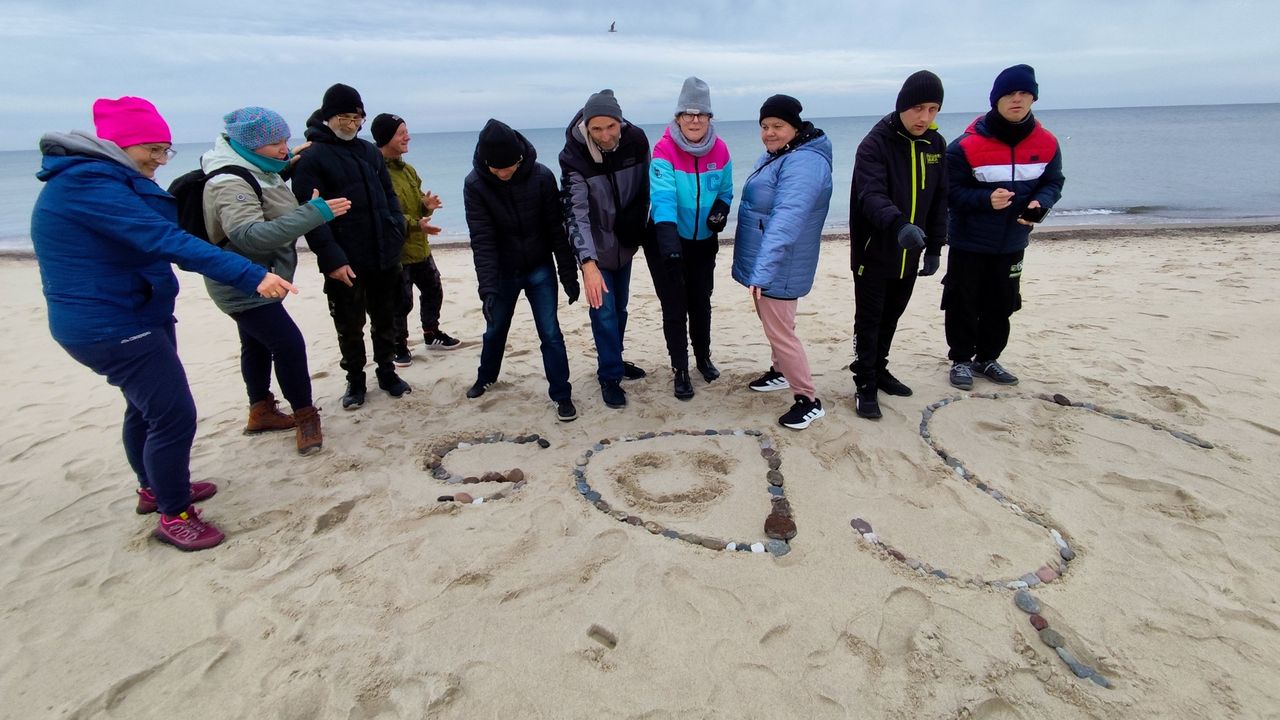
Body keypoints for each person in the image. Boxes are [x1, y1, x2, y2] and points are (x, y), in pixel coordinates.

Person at [31, 96, 296, 551]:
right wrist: (251, 274)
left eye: (164, 149)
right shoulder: (88, 185)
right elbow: (164, 238)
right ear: (118, 145)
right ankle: (175, 514)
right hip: (110, 323)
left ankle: (153, 487)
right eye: (151, 149)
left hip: (135, 310)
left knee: (144, 409)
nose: (159, 159)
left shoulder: (107, 179)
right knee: (174, 416)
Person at [201, 106, 351, 454]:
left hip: (260, 276)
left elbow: (264, 189)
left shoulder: (258, 168)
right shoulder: (229, 183)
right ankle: (305, 417)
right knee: (288, 345)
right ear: (247, 146)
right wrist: (314, 213)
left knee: (255, 344)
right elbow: (249, 235)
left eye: (285, 139)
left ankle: (260, 411)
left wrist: (286, 164)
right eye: (275, 144)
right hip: (242, 283)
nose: (284, 148)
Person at [944, 64, 1065, 389]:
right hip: (969, 240)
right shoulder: (964, 145)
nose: (1017, 99)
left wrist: (1040, 204)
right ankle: (960, 360)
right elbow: (949, 192)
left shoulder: (1047, 142)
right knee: (962, 301)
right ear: (996, 99)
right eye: (1010, 93)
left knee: (1002, 302)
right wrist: (985, 199)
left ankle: (987, 358)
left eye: (1024, 93)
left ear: (1033, 98)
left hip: (1012, 241)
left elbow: (1053, 182)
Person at [291, 83, 411, 410]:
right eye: (344, 117)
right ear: (328, 117)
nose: (351, 124)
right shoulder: (312, 157)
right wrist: (332, 259)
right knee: (349, 324)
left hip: (383, 251)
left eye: (357, 118)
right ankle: (355, 380)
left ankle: (387, 372)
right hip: (345, 257)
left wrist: (396, 227)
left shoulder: (369, 151)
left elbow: (388, 195)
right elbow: (309, 215)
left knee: (386, 318)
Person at [463, 119, 581, 421]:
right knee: (495, 329)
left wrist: (568, 274)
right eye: (497, 168)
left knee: (550, 332)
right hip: (503, 272)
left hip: (540, 267)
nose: (504, 173)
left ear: (519, 158)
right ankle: (486, 377)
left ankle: (562, 394)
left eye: (509, 167)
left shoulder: (541, 176)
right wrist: (488, 289)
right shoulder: (475, 185)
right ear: (486, 163)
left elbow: (556, 230)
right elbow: (482, 240)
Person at [849, 70, 948, 420]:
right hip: (875, 251)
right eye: (918, 108)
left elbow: (939, 200)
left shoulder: (936, 145)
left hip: (911, 252)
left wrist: (935, 247)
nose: (924, 117)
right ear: (902, 106)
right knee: (870, 320)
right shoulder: (874, 144)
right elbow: (871, 195)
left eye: (933, 109)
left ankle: (880, 369)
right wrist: (898, 224)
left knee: (892, 316)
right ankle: (865, 381)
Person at [732, 94, 833, 430]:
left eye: (777, 125)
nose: (769, 133)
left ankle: (808, 400)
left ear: (795, 127)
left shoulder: (804, 163)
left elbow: (786, 220)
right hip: (770, 262)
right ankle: (779, 372)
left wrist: (762, 271)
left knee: (781, 333)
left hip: (781, 264)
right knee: (777, 327)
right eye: (764, 126)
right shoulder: (783, 154)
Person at [558, 89, 651, 409]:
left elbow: (646, 188)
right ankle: (609, 376)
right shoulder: (573, 155)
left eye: (611, 126)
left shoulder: (636, 140)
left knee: (620, 308)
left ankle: (616, 359)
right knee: (604, 311)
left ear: (620, 121)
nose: (605, 135)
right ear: (586, 126)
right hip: (596, 250)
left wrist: (638, 227)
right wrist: (587, 263)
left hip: (625, 243)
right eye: (596, 129)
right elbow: (575, 213)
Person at [647, 76, 734, 400]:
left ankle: (702, 358)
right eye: (688, 113)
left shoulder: (720, 149)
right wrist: (670, 248)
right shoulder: (664, 149)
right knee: (674, 306)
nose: (694, 120)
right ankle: (680, 369)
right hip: (668, 238)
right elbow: (663, 200)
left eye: (701, 114)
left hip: (703, 241)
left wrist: (720, 211)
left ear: (709, 117)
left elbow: (725, 190)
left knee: (701, 302)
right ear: (679, 116)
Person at [369, 113, 460, 365]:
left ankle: (431, 333)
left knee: (434, 289)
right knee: (401, 301)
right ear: (386, 137)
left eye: (406, 132)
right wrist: (414, 223)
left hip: (420, 247)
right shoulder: (375, 172)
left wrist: (426, 206)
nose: (407, 137)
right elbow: (383, 214)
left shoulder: (407, 169)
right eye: (401, 133)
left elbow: (416, 203)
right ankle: (399, 345)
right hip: (395, 252)